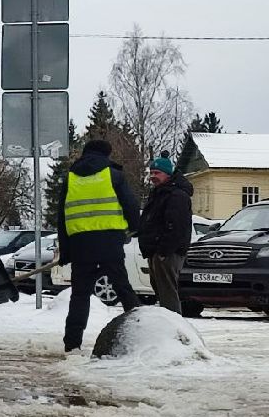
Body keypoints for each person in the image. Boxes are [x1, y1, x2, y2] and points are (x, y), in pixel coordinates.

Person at [56, 139, 141, 352]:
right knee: (123, 288)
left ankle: (72, 344)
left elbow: (62, 217)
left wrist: (66, 251)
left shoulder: (70, 178)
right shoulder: (113, 175)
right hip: (110, 242)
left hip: (80, 245)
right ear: (106, 154)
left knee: (80, 295)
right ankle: (141, 332)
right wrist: (135, 228)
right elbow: (130, 205)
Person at [138, 152, 193, 314]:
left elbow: (176, 226)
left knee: (168, 293)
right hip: (158, 251)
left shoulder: (176, 195)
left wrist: (163, 251)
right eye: (151, 173)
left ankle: (174, 328)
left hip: (168, 253)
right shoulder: (159, 193)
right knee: (162, 291)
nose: (153, 176)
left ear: (168, 174)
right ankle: (168, 325)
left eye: (157, 173)